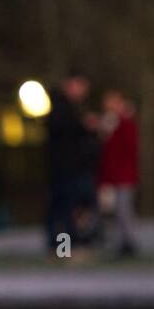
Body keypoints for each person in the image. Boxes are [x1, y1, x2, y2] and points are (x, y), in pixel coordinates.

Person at [44, 71, 93, 254]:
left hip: (73, 167)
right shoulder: (60, 107)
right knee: (63, 208)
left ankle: (68, 245)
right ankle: (60, 248)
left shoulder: (75, 107)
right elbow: (62, 133)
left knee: (74, 207)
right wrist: (84, 126)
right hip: (64, 168)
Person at [96, 89, 139, 258]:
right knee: (111, 211)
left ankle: (127, 243)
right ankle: (117, 242)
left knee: (124, 211)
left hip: (123, 176)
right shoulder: (107, 122)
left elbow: (130, 149)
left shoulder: (125, 123)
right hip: (109, 176)